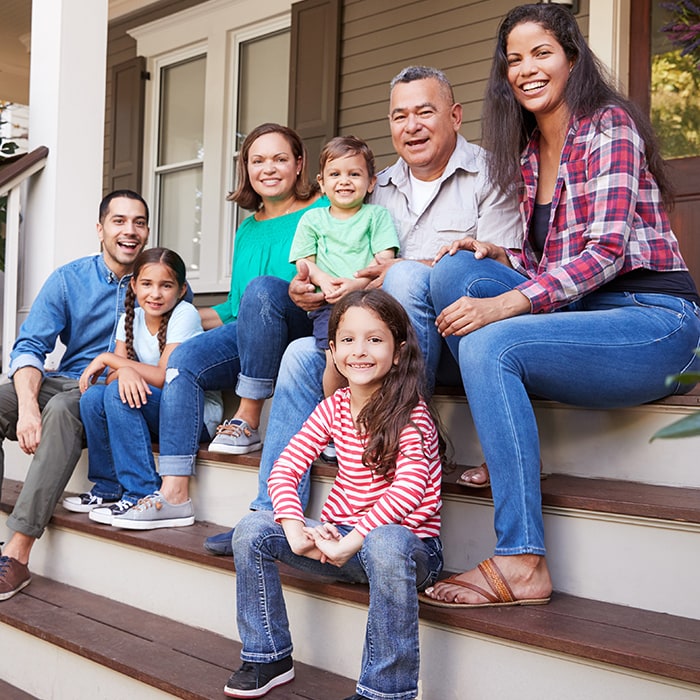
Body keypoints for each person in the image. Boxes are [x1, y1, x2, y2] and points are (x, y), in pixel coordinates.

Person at [421, 3, 700, 608]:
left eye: (541, 53)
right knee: (454, 274)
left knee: (492, 338)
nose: (525, 69)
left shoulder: (609, 127)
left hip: (652, 321)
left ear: (572, 58)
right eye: (513, 59)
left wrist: (510, 302)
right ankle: (507, 443)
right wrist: (496, 255)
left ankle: (522, 560)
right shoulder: (525, 154)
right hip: (582, 317)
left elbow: (603, 253)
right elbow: (552, 271)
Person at [204, 65, 522, 555]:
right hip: (365, 344)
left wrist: (394, 273)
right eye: (399, 115)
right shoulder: (376, 186)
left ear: (455, 116)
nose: (411, 125)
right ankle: (269, 514)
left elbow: (498, 264)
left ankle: (406, 424)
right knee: (297, 358)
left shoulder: (491, 173)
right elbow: (337, 253)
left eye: (424, 112)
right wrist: (307, 290)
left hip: (454, 339)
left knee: (408, 276)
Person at [224, 289, 443, 700]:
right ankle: (267, 654)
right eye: (348, 340)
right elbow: (286, 467)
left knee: (386, 541)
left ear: (398, 352)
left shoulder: (412, 414)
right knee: (252, 528)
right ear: (333, 351)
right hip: (341, 542)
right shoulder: (334, 407)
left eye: (375, 340)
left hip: (406, 551)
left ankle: (386, 691)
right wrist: (292, 526)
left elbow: (408, 489)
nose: (359, 351)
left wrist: (352, 540)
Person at [121, 123, 323, 531]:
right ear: (245, 169)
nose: (269, 168)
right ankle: (175, 491)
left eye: (280, 159)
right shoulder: (248, 227)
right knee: (185, 358)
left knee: (264, 290)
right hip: (253, 329)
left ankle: (248, 416)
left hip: (304, 323)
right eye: (257, 160)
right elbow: (233, 307)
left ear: (299, 164)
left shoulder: (322, 210)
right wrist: (163, 313)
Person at [0, 190, 150, 600]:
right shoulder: (69, 280)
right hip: (66, 378)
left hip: (110, 393)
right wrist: (28, 407)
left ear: (147, 231)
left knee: (67, 407)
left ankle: (17, 553)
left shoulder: (159, 280)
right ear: (100, 229)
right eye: (118, 221)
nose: (129, 231)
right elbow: (30, 347)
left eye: (138, 222)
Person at [64, 248, 220, 527]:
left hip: (192, 418)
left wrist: (110, 359)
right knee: (94, 397)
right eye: (147, 284)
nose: (155, 294)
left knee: (115, 393)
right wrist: (122, 370)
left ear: (182, 289)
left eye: (166, 285)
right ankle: (109, 487)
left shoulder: (184, 315)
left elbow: (163, 376)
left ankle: (142, 491)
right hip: (156, 409)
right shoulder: (129, 318)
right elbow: (113, 376)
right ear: (134, 285)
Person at [289, 135, 399, 396]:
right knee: (337, 360)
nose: (344, 181)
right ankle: (337, 418)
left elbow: (384, 259)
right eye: (335, 174)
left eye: (354, 174)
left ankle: (372, 412)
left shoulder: (376, 216)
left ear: (371, 182)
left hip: (370, 302)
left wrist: (356, 285)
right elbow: (304, 261)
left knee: (372, 360)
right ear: (322, 183)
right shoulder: (312, 219)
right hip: (329, 304)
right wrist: (323, 280)